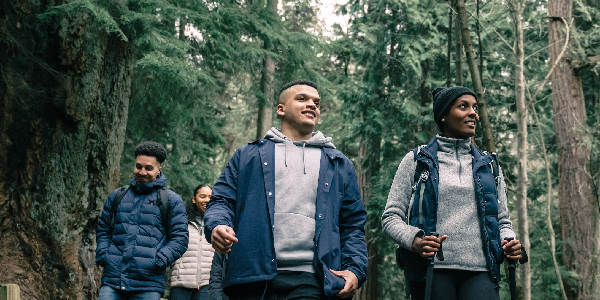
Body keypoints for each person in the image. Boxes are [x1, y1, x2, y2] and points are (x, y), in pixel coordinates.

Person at [204, 79, 368, 300]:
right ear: (280, 109)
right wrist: (218, 225)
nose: (312, 105)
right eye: (302, 99)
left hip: (314, 280)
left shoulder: (338, 164)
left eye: (316, 102)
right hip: (252, 278)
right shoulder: (247, 156)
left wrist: (355, 269)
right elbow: (222, 200)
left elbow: (353, 225)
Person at [381, 87, 523, 300]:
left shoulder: (489, 165)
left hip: (482, 271)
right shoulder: (417, 161)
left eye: (475, 107)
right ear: (444, 116)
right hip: (432, 269)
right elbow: (391, 218)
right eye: (463, 107)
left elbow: (502, 222)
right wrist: (416, 241)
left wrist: (509, 242)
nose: (473, 113)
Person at [96, 141, 189, 300]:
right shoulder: (118, 196)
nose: (142, 172)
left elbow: (180, 238)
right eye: (139, 166)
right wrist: (105, 255)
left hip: (148, 284)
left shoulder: (171, 200)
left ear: (159, 169)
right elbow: (103, 229)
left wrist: (158, 261)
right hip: (113, 280)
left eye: (149, 168)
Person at [170, 184, 216, 299]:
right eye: (202, 196)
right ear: (194, 199)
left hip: (207, 284)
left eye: (210, 197)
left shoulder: (217, 224)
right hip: (181, 282)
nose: (207, 200)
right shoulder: (181, 221)